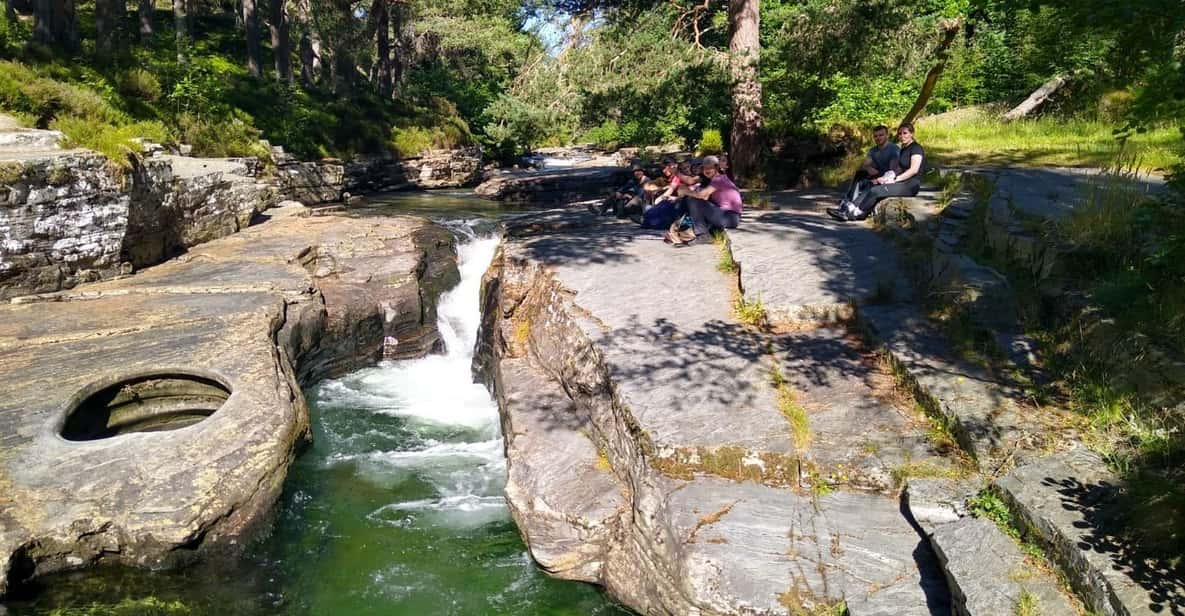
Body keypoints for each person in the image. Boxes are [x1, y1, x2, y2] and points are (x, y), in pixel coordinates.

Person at [827, 123, 925, 222]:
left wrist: (895, 179)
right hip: (901, 182)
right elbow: (899, 169)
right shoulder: (904, 149)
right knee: (872, 184)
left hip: (910, 186)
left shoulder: (916, 148)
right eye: (900, 134)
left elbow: (914, 170)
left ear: (911, 134)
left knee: (876, 191)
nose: (902, 136)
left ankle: (856, 213)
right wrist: (887, 177)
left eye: (905, 133)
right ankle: (848, 208)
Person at [666, 155, 743, 245]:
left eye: (709, 168)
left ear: (716, 167)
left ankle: (703, 234)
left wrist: (685, 191)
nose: (706, 170)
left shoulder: (719, 180)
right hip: (725, 215)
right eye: (704, 168)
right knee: (691, 199)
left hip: (730, 217)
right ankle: (677, 226)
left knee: (693, 200)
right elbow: (697, 188)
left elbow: (702, 195)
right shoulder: (715, 179)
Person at [842, 124, 899, 204]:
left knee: (869, 183)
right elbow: (865, 165)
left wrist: (879, 178)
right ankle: (847, 202)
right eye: (875, 136)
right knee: (859, 174)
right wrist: (869, 168)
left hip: (888, 179)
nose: (878, 138)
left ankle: (852, 205)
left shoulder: (894, 149)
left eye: (881, 135)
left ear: (887, 135)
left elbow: (892, 171)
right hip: (878, 174)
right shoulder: (873, 150)